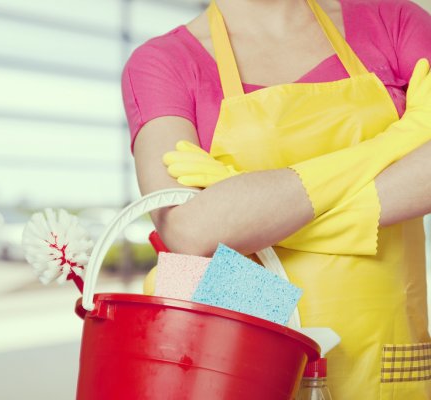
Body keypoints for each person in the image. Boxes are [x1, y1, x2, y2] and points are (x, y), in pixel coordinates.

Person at [121, 0, 431, 398]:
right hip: (250, 367)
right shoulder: (162, 62)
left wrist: (246, 203)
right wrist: (404, 140)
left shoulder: (393, 20)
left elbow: (211, 223)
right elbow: (190, 232)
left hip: (388, 368)